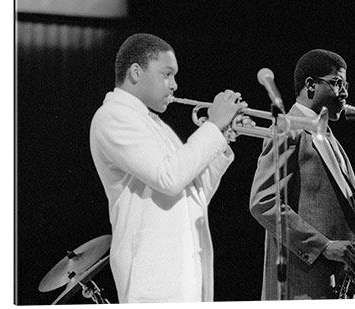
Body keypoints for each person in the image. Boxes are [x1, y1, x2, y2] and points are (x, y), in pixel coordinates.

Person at [89, 33, 248, 303]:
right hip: (153, 279)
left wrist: (221, 141)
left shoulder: (156, 124)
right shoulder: (113, 116)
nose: (174, 85)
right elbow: (170, 178)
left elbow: (194, 197)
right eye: (166, 74)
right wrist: (212, 126)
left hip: (183, 271)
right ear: (136, 72)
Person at [249, 49, 355, 300]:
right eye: (337, 83)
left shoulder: (328, 136)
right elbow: (263, 203)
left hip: (337, 280)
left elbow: (328, 203)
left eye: (345, 84)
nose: (345, 93)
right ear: (310, 85)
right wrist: (324, 247)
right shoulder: (288, 127)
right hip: (304, 283)